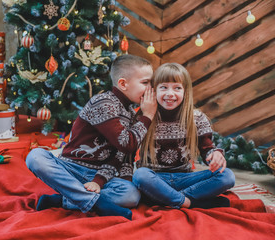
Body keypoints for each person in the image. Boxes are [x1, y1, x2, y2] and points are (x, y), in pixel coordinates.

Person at [26, 54, 157, 220]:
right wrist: (147, 116)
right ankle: (99, 204)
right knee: (35, 157)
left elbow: (122, 157)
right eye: (145, 83)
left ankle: (65, 200)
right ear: (123, 84)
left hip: (101, 175)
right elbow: (127, 144)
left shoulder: (131, 113)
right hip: (72, 169)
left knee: (131, 195)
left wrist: (99, 181)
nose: (150, 89)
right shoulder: (103, 102)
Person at [132, 63, 235, 209]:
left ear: (185, 92)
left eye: (177, 88)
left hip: (185, 177)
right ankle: (190, 202)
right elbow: (128, 145)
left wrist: (215, 155)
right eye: (164, 87)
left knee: (227, 176)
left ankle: (166, 198)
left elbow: (207, 149)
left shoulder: (196, 118)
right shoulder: (145, 115)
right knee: (140, 176)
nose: (170, 94)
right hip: (154, 178)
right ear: (153, 91)